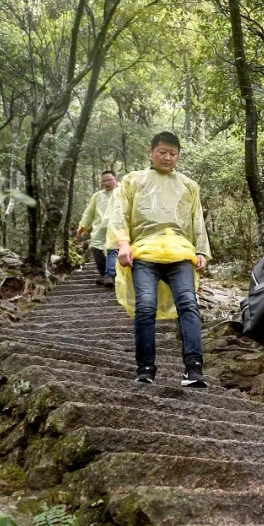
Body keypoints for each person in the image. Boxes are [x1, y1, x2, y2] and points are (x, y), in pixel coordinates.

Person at [107, 131, 211, 387]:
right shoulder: (133, 180)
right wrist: (123, 244)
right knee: (145, 306)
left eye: (173, 154)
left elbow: (197, 219)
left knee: (188, 304)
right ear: (151, 152)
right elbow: (120, 213)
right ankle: (145, 368)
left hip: (180, 253)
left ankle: (194, 369)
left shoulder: (188, 185)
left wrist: (201, 251)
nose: (168, 158)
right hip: (144, 253)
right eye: (163, 152)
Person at [77, 170, 119, 287]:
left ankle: (110, 275)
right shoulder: (97, 196)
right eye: (104, 181)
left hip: (117, 226)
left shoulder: (122, 192)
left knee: (112, 249)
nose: (107, 183)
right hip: (100, 228)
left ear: (115, 179)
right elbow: (89, 213)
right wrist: (82, 227)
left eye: (109, 180)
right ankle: (104, 274)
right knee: (95, 248)